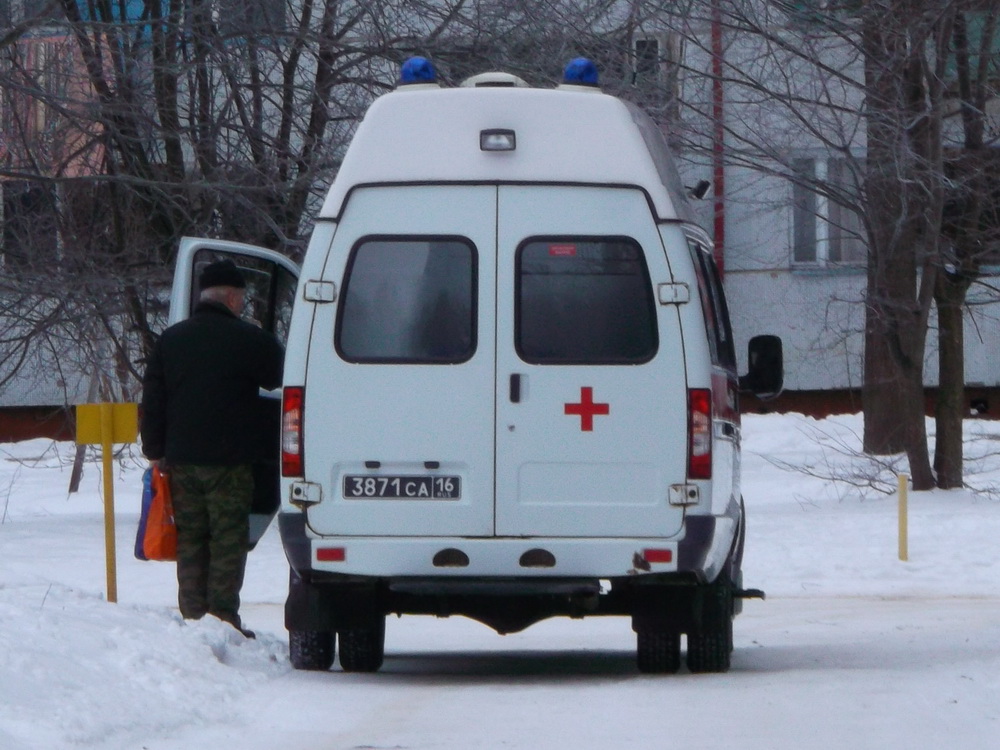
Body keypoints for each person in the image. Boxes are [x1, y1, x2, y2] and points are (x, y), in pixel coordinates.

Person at [140, 259, 284, 637]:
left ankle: (192, 618)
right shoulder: (250, 340)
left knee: (190, 538)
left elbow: (153, 400)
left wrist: (155, 450)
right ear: (233, 298)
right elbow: (283, 377)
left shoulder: (171, 340)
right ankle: (222, 618)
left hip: (182, 460)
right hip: (231, 462)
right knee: (227, 539)